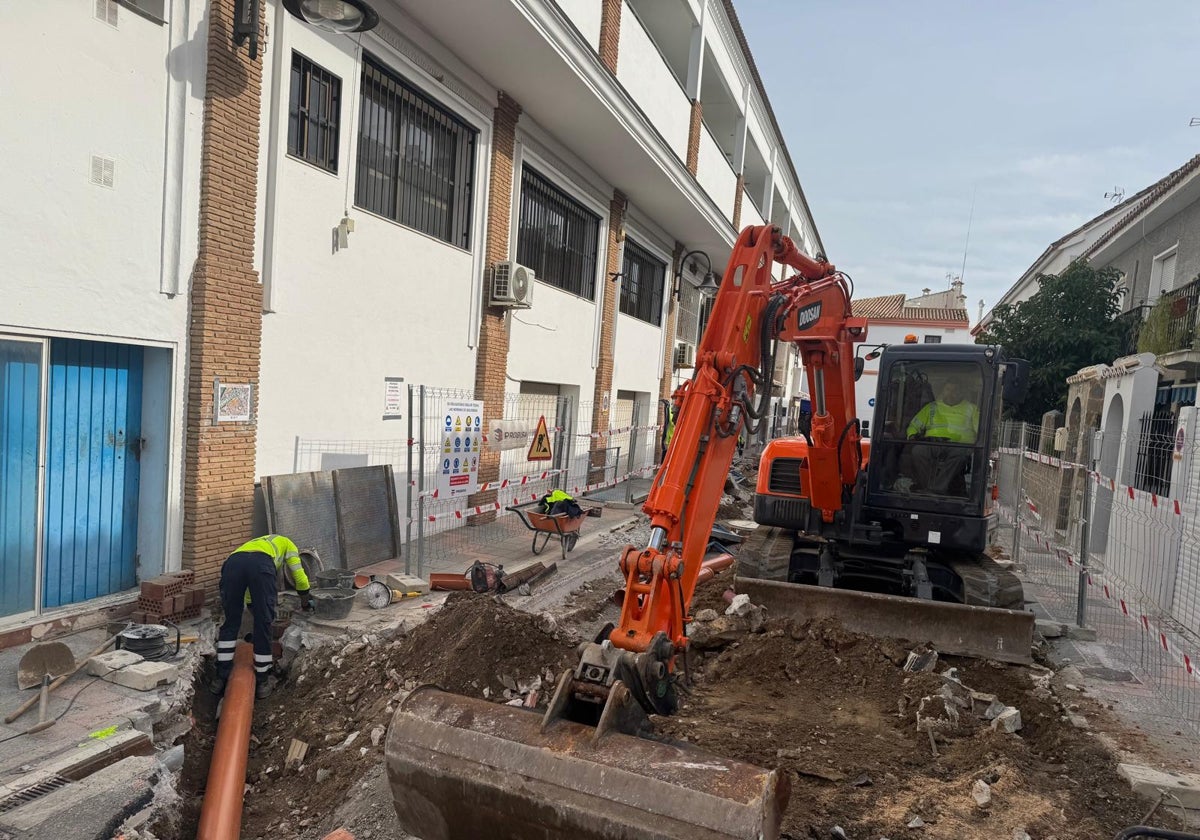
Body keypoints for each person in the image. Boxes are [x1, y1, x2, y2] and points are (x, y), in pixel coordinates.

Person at [212, 534, 313, 699]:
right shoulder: (289, 545)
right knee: (263, 624)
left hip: (232, 564)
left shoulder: (255, 543)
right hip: (261, 565)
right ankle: (262, 680)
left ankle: (219, 677)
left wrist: (253, 606)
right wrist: (305, 603)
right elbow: (301, 579)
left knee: (231, 622)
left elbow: (247, 588)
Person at [903, 377, 979, 495]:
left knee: (960, 456)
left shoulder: (972, 409)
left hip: (960, 446)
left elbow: (980, 431)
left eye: (955, 390)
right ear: (943, 391)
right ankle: (927, 486)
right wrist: (912, 435)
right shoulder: (932, 407)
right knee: (918, 451)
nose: (951, 393)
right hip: (933, 443)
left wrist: (975, 445)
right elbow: (914, 425)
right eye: (948, 389)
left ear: (961, 393)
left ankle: (936, 490)